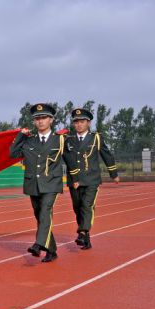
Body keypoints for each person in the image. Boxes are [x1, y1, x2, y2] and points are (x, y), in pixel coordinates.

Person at [9, 103, 73, 263]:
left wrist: (76, 179)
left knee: (45, 212)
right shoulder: (29, 141)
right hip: (33, 185)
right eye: (37, 118)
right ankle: (52, 250)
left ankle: (38, 245)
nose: (40, 121)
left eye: (44, 118)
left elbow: (71, 160)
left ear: (51, 120)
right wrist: (21, 136)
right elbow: (13, 153)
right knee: (40, 217)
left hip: (51, 184)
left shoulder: (60, 140)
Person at [65, 107, 119, 250]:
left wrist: (113, 173)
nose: (79, 124)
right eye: (76, 122)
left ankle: (82, 232)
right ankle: (86, 239)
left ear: (88, 123)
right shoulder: (67, 140)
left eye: (82, 121)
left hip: (91, 180)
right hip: (73, 181)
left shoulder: (96, 137)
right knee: (77, 208)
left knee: (87, 205)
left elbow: (106, 155)